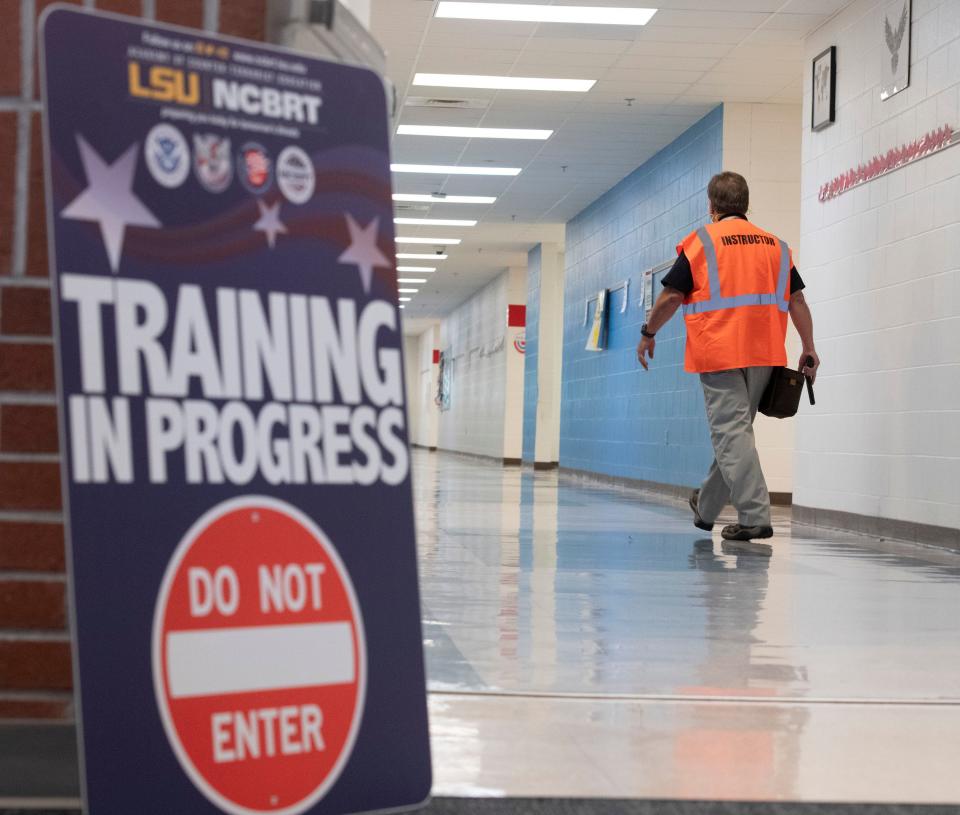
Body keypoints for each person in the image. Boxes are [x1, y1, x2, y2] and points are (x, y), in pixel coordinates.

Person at [636, 171, 820, 541]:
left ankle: (756, 515)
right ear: (745, 203)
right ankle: (705, 507)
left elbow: (672, 296)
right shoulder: (775, 246)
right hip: (763, 353)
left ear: (712, 206)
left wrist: (648, 332)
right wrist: (809, 347)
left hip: (719, 351)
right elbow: (796, 300)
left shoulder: (702, 242)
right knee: (736, 435)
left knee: (732, 434)